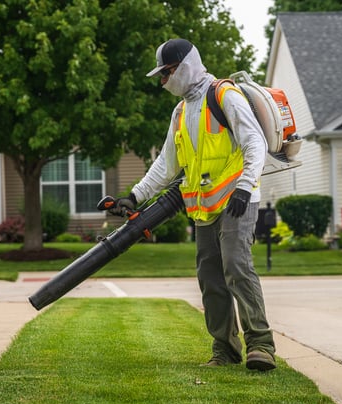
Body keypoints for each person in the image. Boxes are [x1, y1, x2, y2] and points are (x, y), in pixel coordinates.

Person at [104, 38, 276, 371]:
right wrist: (135, 196)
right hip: (203, 206)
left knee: (237, 266)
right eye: (160, 76)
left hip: (237, 199)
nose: (163, 81)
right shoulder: (181, 111)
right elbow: (166, 164)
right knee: (210, 277)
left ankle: (261, 345)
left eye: (166, 73)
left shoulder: (224, 95)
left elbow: (254, 141)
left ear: (185, 66)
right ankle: (225, 349)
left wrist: (244, 186)